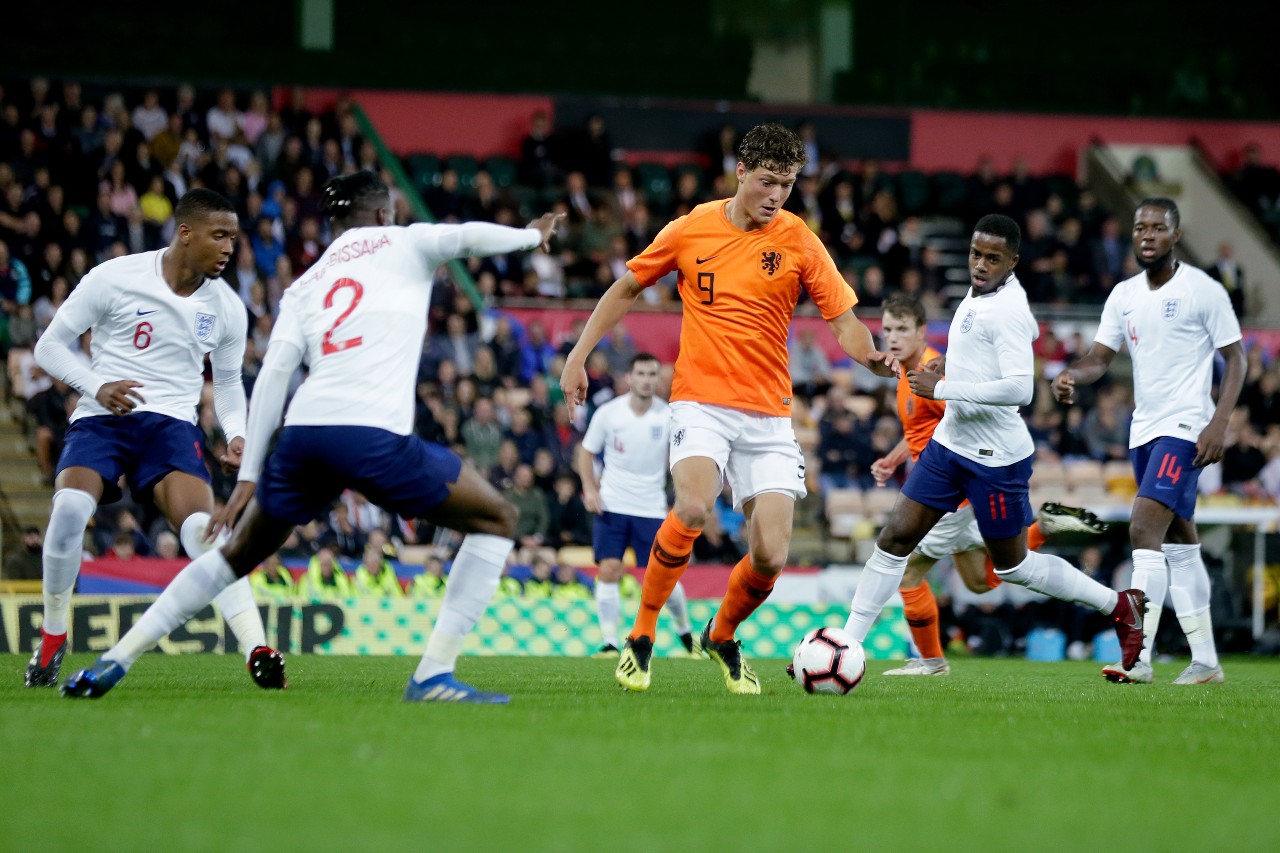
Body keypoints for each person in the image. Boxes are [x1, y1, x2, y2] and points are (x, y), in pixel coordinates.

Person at [61, 170, 561, 703]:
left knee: (232, 557)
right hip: (370, 433)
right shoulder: (405, 241)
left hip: (303, 435)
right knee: (496, 518)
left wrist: (250, 474)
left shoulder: (307, 283)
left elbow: (274, 375)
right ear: (383, 215)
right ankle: (433, 675)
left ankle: (114, 660)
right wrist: (529, 236)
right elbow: (464, 237)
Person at [560, 123, 898, 695]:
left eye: (787, 185)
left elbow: (843, 322)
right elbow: (626, 288)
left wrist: (872, 358)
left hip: (769, 413)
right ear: (739, 173)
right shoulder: (691, 228)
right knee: (693, 507)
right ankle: (641, 637)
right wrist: (578, 355)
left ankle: (721, 634)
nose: (776, 195)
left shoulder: (798, 239)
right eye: (767, 181)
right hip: (701, 402)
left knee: (770, 556)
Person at [839, 214, 1148, 676]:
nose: (980, 265)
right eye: (975, 254)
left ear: (1013, 262)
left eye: (993, 258)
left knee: (1011, 569)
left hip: (994, 459)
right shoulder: (980, 293)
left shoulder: (1007, 310)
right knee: (894, 540)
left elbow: (1021, 389)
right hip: (949, 446)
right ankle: (845, 647)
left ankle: (1119, 605)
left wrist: (942, 387)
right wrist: (950, 363)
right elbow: (985, 350)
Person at [25, 188, 277, 689]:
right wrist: (96, 385)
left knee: (203, 530)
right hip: (103, 416)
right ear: (186, 233)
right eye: (219, 235)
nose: (229, 248)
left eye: (233, 238)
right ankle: (53, 636)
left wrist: (237, 434)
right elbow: (48, 346)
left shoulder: (227, 308)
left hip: (171, 427)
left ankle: (258, 648)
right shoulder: (115, 276)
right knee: (69, 509)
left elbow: (228, 383)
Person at [1052, 198, 1245, 685]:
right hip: (1144, 431)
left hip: (1185, 428)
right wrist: (1073, 374)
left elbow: (1237, 359)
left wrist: (1219, 422)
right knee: (1180, 543)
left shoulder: (1203, 290)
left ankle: (1137, 657)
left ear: (1175, 235)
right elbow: (1100, 357)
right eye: (1141, 227)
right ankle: (1206, 662)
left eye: (1158, 228)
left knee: (1143, 529)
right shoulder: (1123, 295)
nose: (1147, 235)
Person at [868, 293, 1107, 676]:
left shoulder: (933, 374)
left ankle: (931, 662)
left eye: (902, 329)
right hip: (953, 493)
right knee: (980, 582)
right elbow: (921, 431)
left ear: (921, 331)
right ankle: (1044, 527)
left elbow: (967, 418)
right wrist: (894, 459)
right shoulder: (908, 375)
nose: (892, 338)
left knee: (907, 571)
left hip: (947, 493)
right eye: (887, 330)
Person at [575, 353, 695, 657]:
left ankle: (684, 630)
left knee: (664, 576)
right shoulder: (609, 413)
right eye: (640, 373)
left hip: (650, 508)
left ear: (658, 379)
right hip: (612, 504)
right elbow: (586, 452)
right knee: (609, 569)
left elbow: (683, 459)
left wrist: (683, 496)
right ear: (629, 378)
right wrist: (589, 488)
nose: (646, 380)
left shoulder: (669, 416)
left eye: (652, 374)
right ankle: (610, 641)